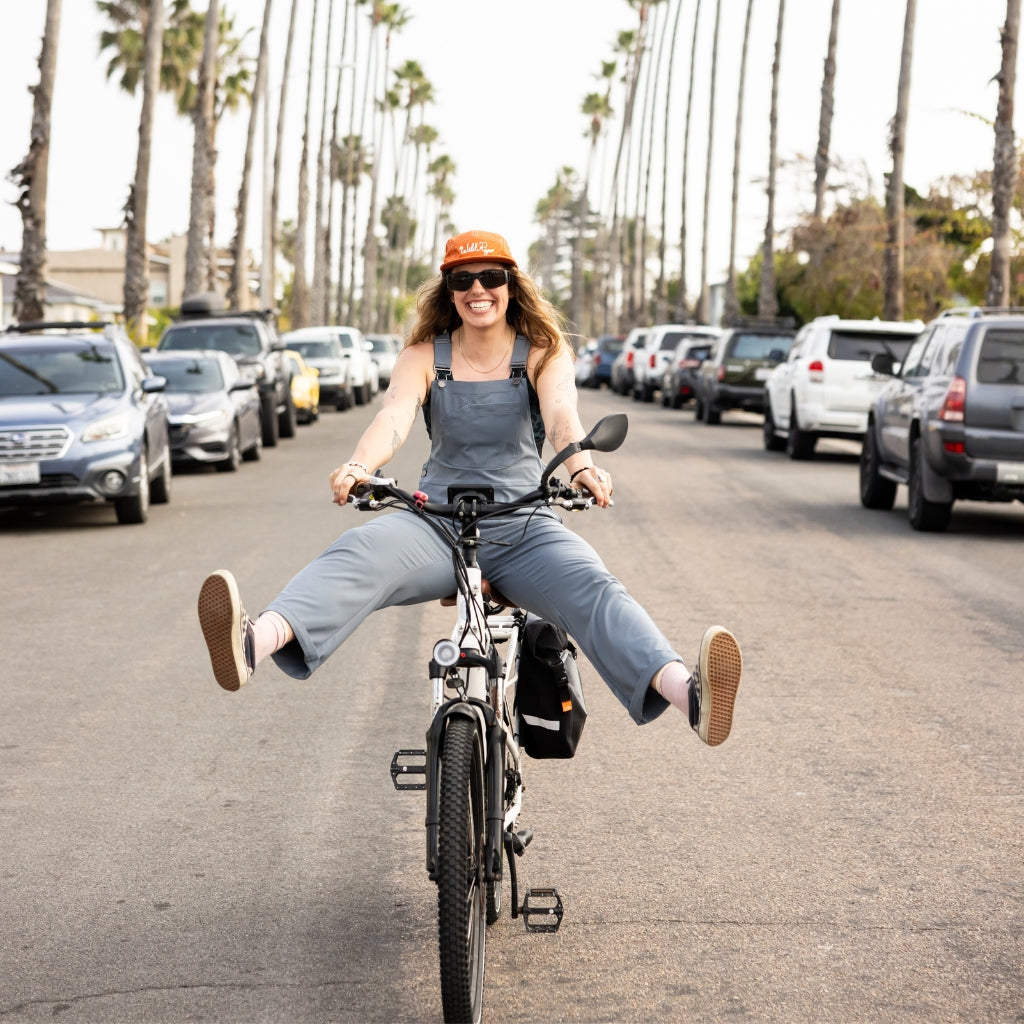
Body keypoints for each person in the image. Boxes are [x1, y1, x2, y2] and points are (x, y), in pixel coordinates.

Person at [198, 229, 742, 745]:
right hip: (436, 524)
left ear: (511, 283)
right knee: (357, 551)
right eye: (462, 279)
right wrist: (359, 466)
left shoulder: (543, 352)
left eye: (490, 276)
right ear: (449, 290)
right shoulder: (422, 357)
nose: (477, 289)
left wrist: (581, 467)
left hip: (526, 527)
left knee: (594, 587)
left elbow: (560, 415)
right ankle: (253, 642)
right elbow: (394, 416)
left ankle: (690, 696)